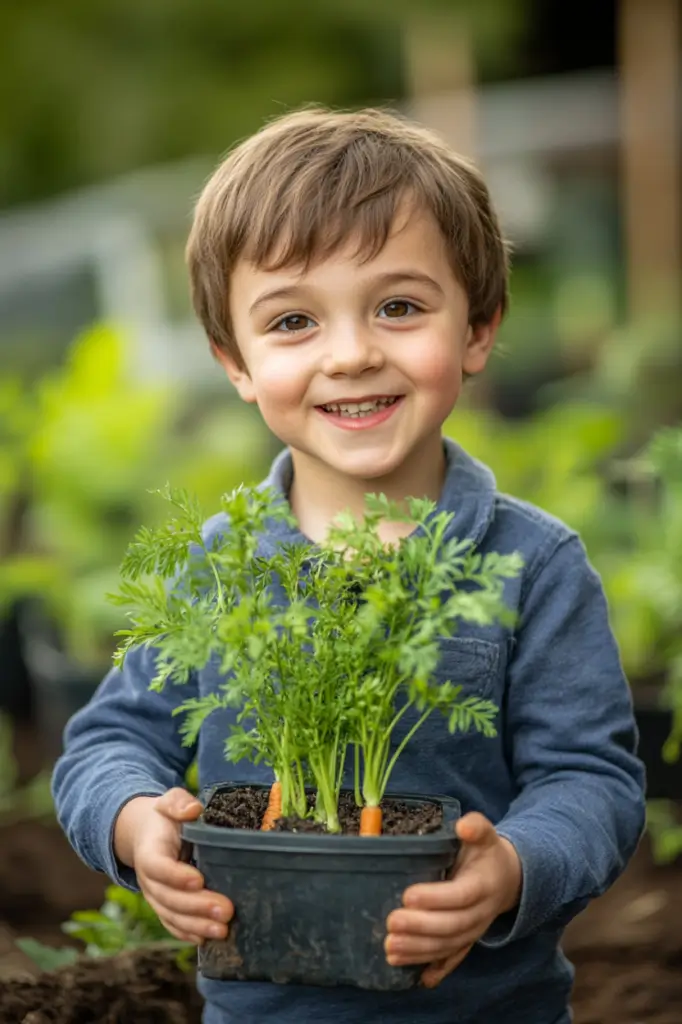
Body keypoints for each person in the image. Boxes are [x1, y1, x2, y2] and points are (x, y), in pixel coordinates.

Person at [52, 106, 645, 1024]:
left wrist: (513, 867)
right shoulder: (222, 567)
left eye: (399, 307)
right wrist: (137, 826)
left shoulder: (534, 565)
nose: (353, 351)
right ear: (234, 362)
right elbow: (105, 743)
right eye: (293, 321)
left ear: (480, 330)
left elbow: (593, 781)